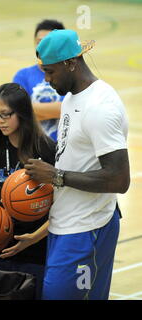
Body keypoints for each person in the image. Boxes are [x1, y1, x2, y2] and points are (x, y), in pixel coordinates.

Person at [25, 29, 130, 300]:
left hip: (87, 229)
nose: (46, 80)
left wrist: (56, 176)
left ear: (71, 63)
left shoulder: (100, 107)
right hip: (67, 224)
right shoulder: (72, 96)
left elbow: (119, 179)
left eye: (50, 72)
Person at [0, 83, 56, 299]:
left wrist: (33, 238)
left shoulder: (45, 149)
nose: (0, 121)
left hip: (37, 252)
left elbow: (62, 207)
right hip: (1, 250)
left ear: (21, 113)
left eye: (5, 115)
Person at [13, 19, 65, 141]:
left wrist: (30, 110)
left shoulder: (67, 75)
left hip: (65, 149)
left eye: (48, 42)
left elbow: (72, 109)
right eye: (39, 42)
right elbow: (17, 113)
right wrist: (58, 109)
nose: (42, 47)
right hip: (32, 148)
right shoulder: (22, 76)